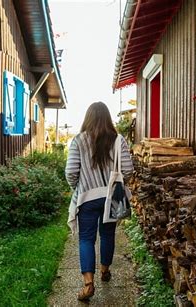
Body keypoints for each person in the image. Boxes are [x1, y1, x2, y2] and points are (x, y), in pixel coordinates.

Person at [65, 101, 133, 301]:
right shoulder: (119, 140)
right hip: (113, 196)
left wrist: (79, 188)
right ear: (108, 118)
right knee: (108, 235)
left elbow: (71, 172)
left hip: (87, 197)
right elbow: (128, 170)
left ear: (88, 118)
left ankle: (88, 285)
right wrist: (120, 184)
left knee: (86, 238)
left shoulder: (78, 141)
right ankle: (104, 271)